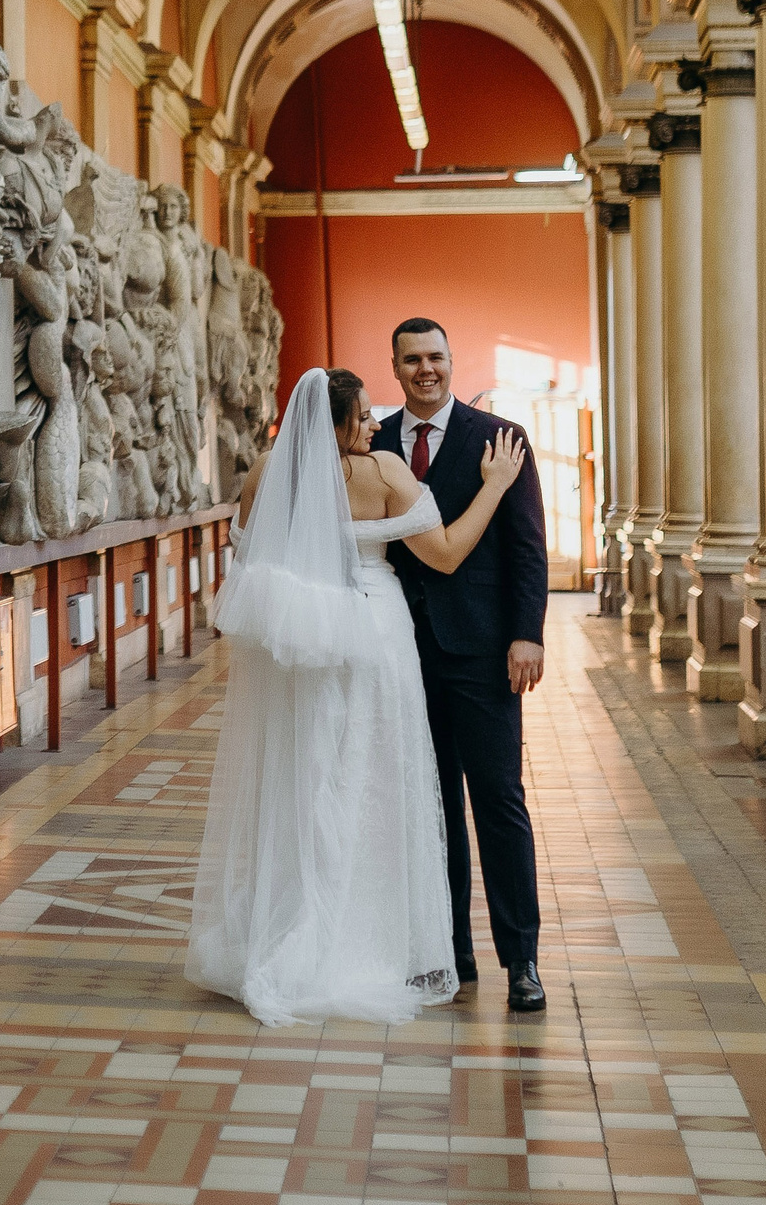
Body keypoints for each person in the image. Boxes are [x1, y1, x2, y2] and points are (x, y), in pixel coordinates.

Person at [189, 367, 525, 1027]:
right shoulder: (386, 472)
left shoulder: (267, 473)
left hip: (304, 647)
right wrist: (495, 486)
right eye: (364, 416)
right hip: (374, 637)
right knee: (375, 778)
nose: (375, 425)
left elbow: (249, 561)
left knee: (308, 775)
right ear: (337, 423)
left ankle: (295, 922)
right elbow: (449, 553)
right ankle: (370, 936)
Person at [372, 318, 552, 1012]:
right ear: (395, 367)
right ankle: (449, 951)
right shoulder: (375, 442)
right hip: (402, 653)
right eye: (413, 359)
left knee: (499, 804)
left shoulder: (499, 439)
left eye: (437, 357)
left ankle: (522, 959)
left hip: (482, 651)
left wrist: (526, 633)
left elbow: (527, 546)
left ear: (453, 360)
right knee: (432, 807)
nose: (427, 369)